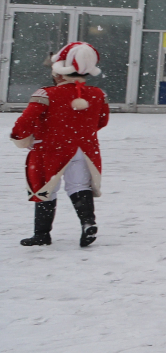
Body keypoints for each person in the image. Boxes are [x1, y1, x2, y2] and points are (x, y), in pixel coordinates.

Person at [14, 41, 110, 248]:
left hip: (51, 148)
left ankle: (41, 234)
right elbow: (102, 121)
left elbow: (25, 121)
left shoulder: (46, 94)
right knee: (79, 186)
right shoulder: (98, 94)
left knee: (46, 189)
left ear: (59, 72)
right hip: (84, 149)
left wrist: (19, 137)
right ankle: (87, 223)